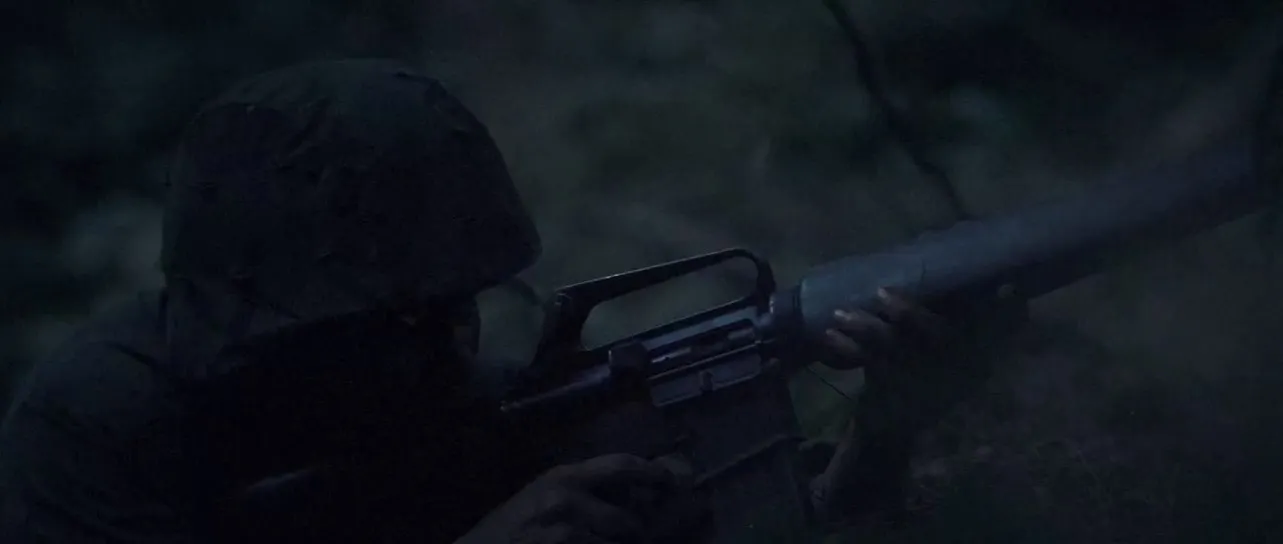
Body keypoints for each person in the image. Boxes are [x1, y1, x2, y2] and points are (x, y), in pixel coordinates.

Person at [0, 59, 999, 543]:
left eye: (455, 305)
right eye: (397, 319)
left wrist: (885, 432)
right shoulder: (97, 425)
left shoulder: (469, 413)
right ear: (275, 319)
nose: (446, 346)